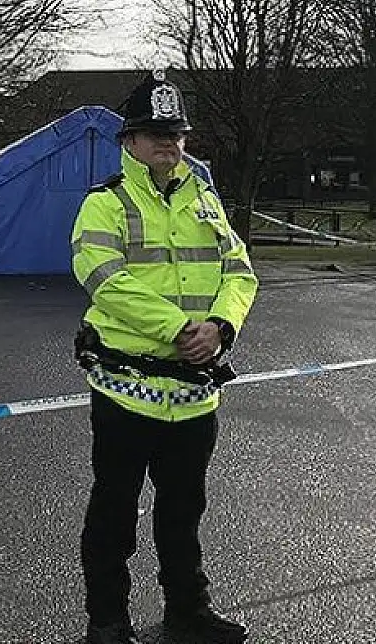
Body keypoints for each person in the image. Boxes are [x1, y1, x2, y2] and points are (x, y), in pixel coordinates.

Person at [70, 69, 258, 644]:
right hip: (127, 392)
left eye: (175, 134)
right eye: (155, 133)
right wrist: (180, 329)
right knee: (114, 515)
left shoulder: (204, 199)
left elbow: (240, 271)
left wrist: (221, 327)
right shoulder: (105, 203)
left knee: (183, 514)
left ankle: (187, 613)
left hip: (195, 395)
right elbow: (105, 279)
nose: (168, 143)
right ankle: (108, 624)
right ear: (128, 140)